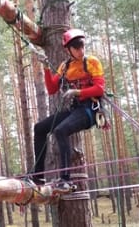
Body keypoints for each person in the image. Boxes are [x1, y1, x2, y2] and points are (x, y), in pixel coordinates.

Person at [32, 28, 105, 192]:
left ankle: (65, 179)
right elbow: (51, 89)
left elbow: (99, 89)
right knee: (39, 128)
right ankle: (38, 176)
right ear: (68, 49)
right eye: (77, 47)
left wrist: (77, 92)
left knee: (60, 131)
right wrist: (45, 68)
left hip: (90, 110)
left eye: (82, 46)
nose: (81, 50)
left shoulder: (92, 62)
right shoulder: (65, 67)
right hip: (75, 109)